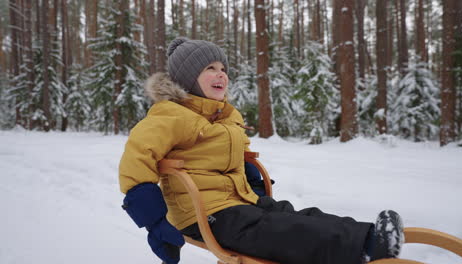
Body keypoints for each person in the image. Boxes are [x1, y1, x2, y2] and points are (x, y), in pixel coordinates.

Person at [119, 37, 404, 264]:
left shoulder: (226, 117)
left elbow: (238, 158)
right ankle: (361, 248)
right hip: (203, 214)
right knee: (277, 231)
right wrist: (156, 223)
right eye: (210, 69)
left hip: (238, 201)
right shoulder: (169, 115)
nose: (221, 75)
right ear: (188, 79)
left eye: (223, 69)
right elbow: (136, 163)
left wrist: (252, 182)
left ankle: (367, 234)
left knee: (293, 215)